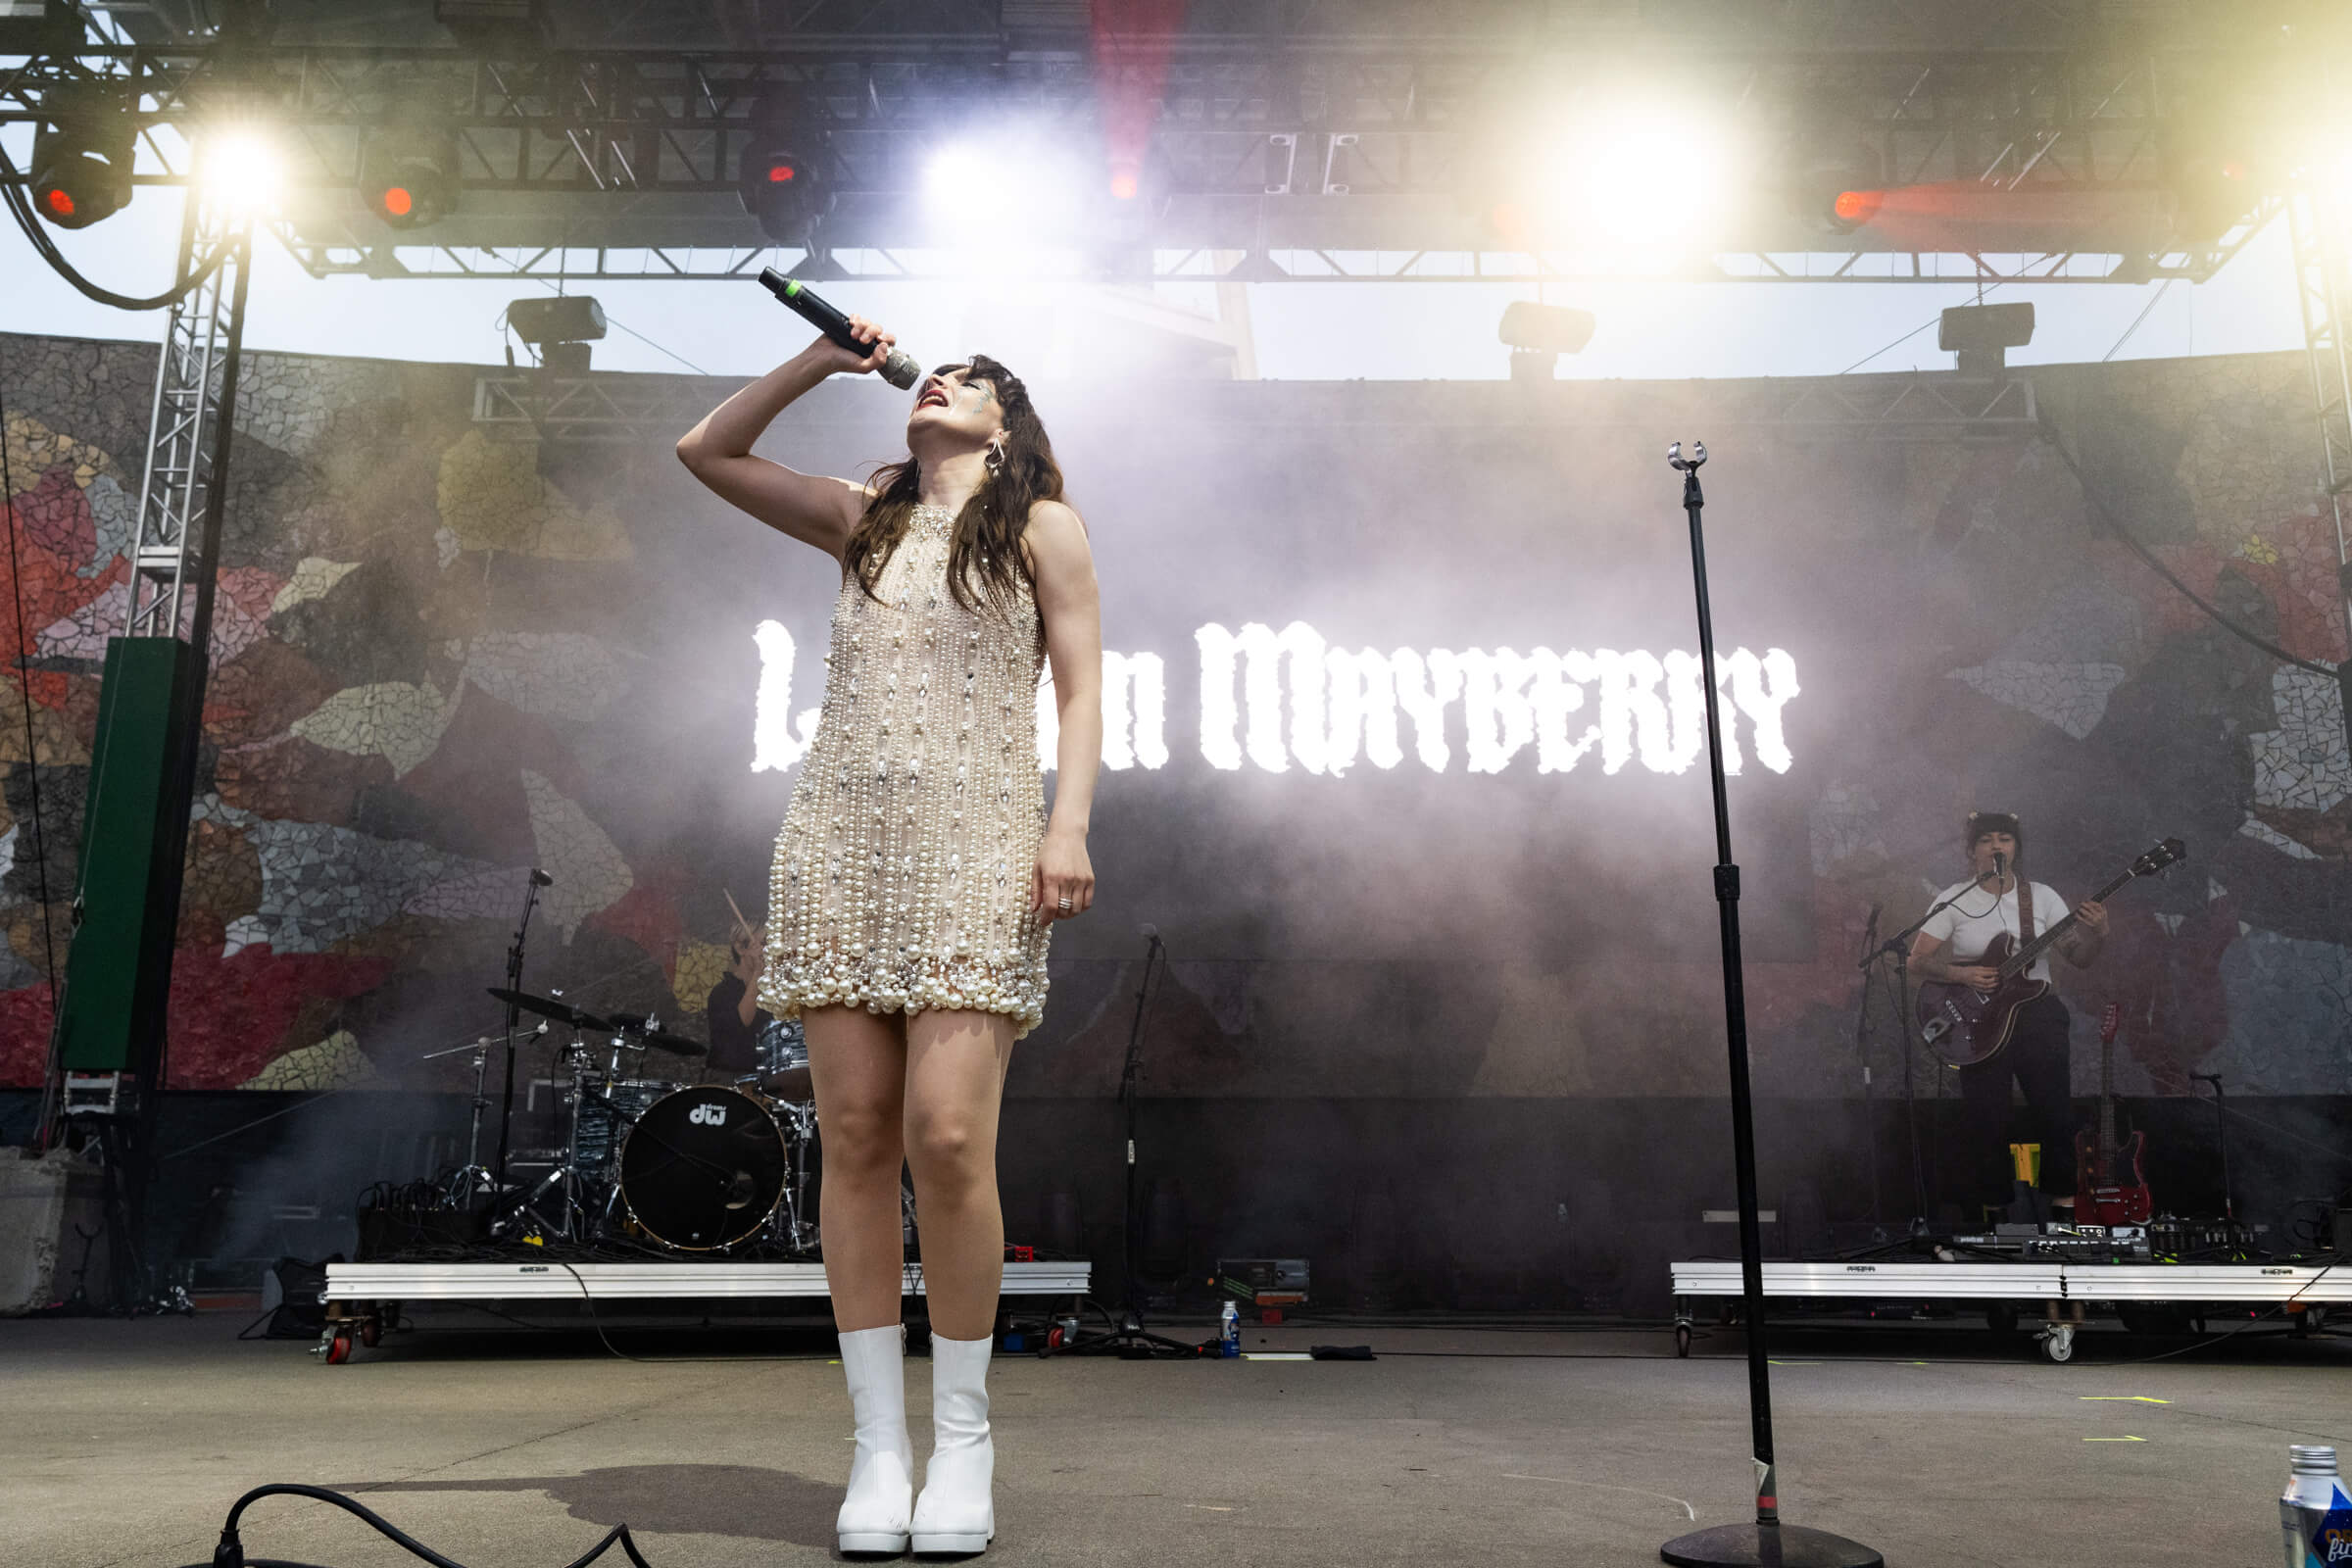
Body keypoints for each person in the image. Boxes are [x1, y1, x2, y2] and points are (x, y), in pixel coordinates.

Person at [677, 318, 1102, 1557]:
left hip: (980, 839)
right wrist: (824, 362)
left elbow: (1081, 687)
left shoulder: (1042, 527)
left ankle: (963, 1439)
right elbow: (708, 450)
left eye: (971, 380)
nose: (941, 381)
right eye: (933, 372)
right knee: (855, 1135)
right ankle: (878, 1446)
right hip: (840, 839)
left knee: (948, 1134)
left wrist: (1064, 827)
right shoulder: (864, 515)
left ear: (1007, 426)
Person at [1908, 810, 2108, 1220]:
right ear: (1971, 850)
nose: (1996, 846)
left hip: (2037, 1015)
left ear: (2016, 848)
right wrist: (1961, 973)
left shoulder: (2043, 897)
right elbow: (1917, 961)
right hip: (1977, 1019)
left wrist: (2099, 934)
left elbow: (2080, 958)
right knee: (1987, 1120)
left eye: (2005, 839)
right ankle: (1994, 1212)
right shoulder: (1954, 899)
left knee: (2055, 1114)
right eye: (1986, 840)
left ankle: (2064, 1209)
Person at [703, 920, 769, 1079]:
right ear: (740, 948)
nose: (767, 950)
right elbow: (742, 1022)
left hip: (765, 1081)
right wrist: (758, 972)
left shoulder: (772, 990)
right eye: (762, 943)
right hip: (728, 1081)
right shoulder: (722, 992)